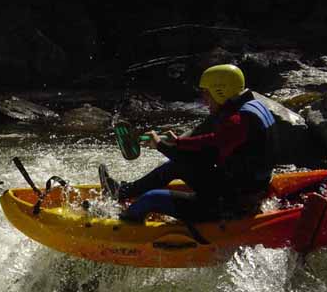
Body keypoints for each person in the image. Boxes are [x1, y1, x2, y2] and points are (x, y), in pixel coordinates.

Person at [100, 64, 276, 223]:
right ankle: (123, 191)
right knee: (174, 165)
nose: (204, 100)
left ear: (220, 91)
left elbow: (208, 151)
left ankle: (122, 221)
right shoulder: (250, 106)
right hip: (239, 188)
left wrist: (161, 145)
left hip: (228, 204)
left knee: (150, 198)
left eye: (206, 94)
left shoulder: (237, 121)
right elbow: (210, 144)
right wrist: (178, 142)